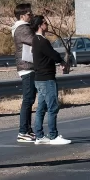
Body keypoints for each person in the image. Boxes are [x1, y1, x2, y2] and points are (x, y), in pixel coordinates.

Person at [30, 15, 72, 145]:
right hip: (46, 79)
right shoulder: (42, 41)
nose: (47, 25)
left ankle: (39, 135)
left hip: (39, 78)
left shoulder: (35, 40)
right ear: (40, 25)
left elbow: (49, 55)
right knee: (53, 107)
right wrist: (62, 61)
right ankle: (53, 135)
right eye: (45, 23)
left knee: (41, 108)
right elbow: (53, 54)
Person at [12, 3, 37, 143]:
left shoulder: (24, 28)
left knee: (30, 99)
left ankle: (27, 130)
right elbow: (35, 41)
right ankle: (23, 131)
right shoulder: (22, 29)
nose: (31, 16)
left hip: (28, 66)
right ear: (22, 16)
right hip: (27, 67)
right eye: (29, 14)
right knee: (27, 100)